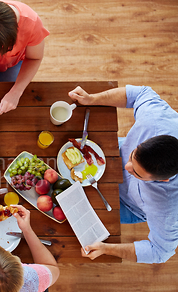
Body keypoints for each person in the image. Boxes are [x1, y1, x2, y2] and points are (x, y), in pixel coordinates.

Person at [69, 85, 178, 263]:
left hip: (126, 204)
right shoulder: (156, 119)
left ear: (164, 180)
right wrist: (92, 99)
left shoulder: (168, 209)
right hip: (109, 153)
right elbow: (140, 93)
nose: (125, 167)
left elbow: (160, 252)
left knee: (73, 218)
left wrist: (106, 248)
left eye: (136, 172)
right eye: (132, 156)